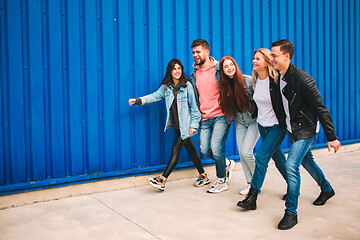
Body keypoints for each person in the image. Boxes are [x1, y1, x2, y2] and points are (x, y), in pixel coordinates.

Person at [270, 39, 341, 230]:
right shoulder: (279, 75)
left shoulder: (302, 79)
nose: (271, 59)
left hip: (306, 128)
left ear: (287, 56)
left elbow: (321, 108)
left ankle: (291, 213)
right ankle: (326, 189)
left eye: (274, 55)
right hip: (293, 127)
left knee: (291, 165)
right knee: (306, 161)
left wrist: (331, 136)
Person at [128, 58, 210, 191]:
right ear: (170, 71)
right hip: (178, 126)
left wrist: (194, 125)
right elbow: (153, 96)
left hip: (187, 126)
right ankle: (203, 175)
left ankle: (162, 180)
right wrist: (138, 100)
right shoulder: (166, 87)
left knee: (175, 149)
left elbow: (195, 108)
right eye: (174, 69)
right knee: (191, 150)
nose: (177, 71)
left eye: (179, 68)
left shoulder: (187, 86)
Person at [237, 48, 288, 210]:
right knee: (279, 158)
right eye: (253, 58)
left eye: (257, 59)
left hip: (276, 127)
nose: (254, 61)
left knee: (261, 158)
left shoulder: (278, 81)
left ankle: (253, 196)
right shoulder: (255, 80)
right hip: (262, 125)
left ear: (267, 62)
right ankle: (323, 187)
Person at [190, 39, 235, 194]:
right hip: (205, 118)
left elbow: (235, 79)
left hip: (221, 115)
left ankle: (222, 181)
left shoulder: (219, 69)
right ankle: (227, 163)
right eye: (193, 52)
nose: (195, 55)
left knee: (216, 148)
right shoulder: (193, 74)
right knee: (204, 149)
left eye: (198, 52)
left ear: (207, 52)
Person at [218, 56, 260, 195]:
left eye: (231, 65)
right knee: (242, 154)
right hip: (240, 121)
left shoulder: (248, 80)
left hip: (254, 120)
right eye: (226, 66)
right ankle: (250, 183)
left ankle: (257, 182)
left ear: (235, 66)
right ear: (222, 71)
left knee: (246, 152)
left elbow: (262, 99)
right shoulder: (224, 87)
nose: (229, 68)